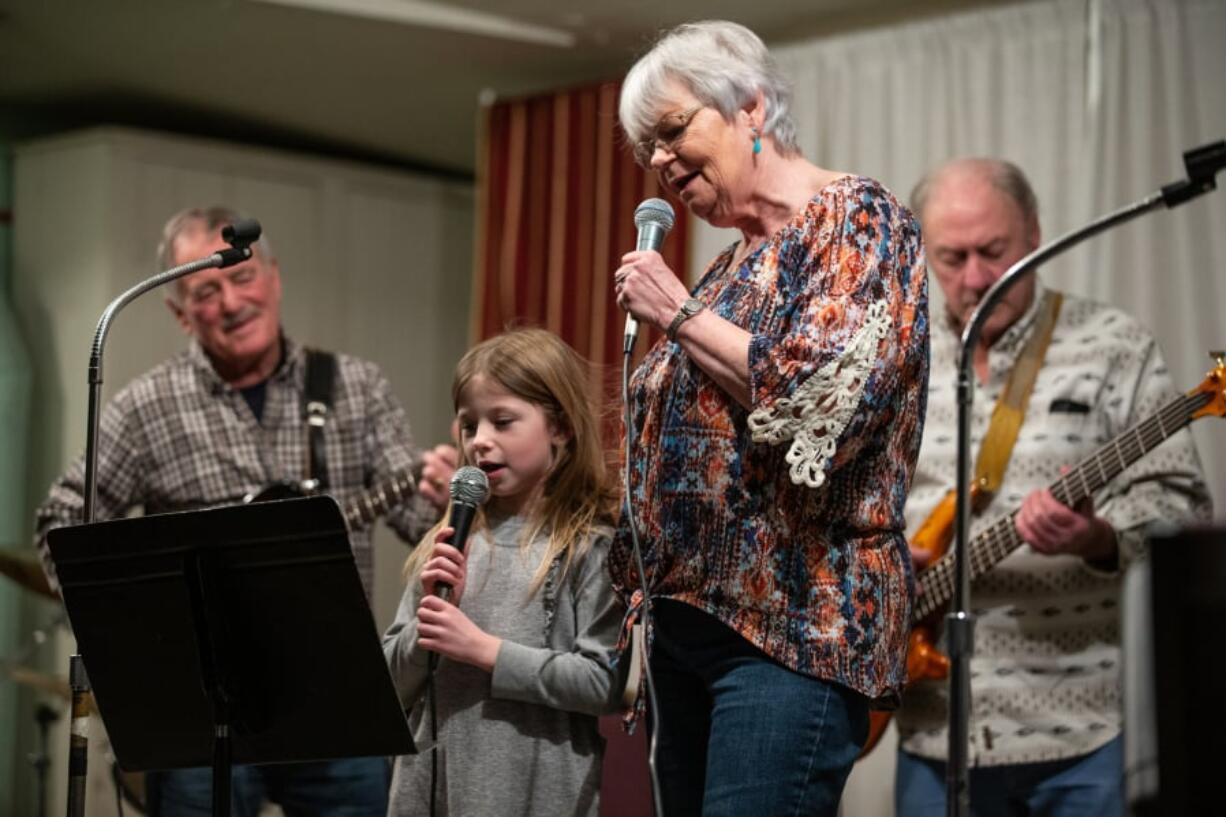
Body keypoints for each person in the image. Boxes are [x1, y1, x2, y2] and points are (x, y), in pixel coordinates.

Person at [610, 20, 930, 815]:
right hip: (687, 633)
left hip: (792, 629)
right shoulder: (727, 268)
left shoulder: (858, 218)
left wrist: (677, 314)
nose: (656, 159)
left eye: (673, 129)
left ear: (751, 107)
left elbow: (827, 400)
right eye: (646, 144)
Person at [34, 206, 448, 816]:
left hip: (335, 692)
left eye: (244, 276)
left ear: (274, 277)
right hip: (200, 708)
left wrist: (441, 500)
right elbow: (61, 523)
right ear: (178, 313)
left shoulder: (354, 386)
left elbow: (418, 526)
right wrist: (133, 629)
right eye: (206, 289)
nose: (232, 301)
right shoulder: (146, 407)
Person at [892, 158, 1212, 816]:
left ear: (1035, 233)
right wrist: (882, 559)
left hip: (1082, 733)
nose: (976, 277)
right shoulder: (903, 360)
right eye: (952, 258)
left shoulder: (1113, 344)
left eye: (994, 251)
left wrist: (1099, 536)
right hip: (931, 729)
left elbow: (1182, 507)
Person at [383, 327, 625, 817]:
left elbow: (605, 684)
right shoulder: (448, 538)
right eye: (470, 426)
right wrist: (422, 633)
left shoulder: (589, 545)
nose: (481, 443)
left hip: (535, 795)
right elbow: (389, 684)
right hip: (430, 793)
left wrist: (485, 652)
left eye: (504, 421)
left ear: (560, 427)